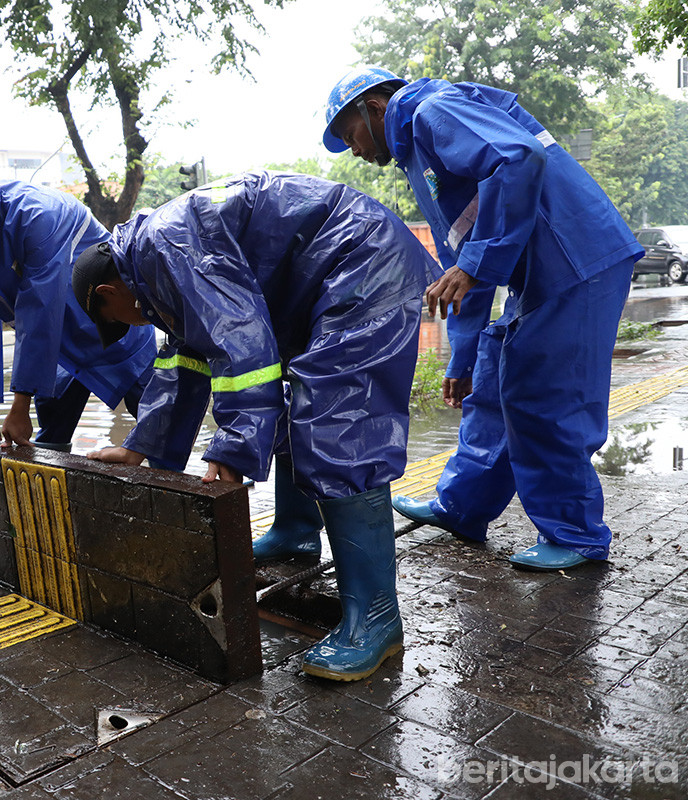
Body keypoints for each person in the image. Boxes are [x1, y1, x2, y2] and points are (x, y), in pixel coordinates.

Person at [75, 171, 440, 681]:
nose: (128, 326)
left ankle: (376, 618)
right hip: (325, 277)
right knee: (296, 410)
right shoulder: (157, 266)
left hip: (362, 261)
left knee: (339, 426)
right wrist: (139, 450)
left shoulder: (163, 248)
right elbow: (188, 363)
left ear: (109, 290)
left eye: (115, 319)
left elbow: (238, 341)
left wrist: (233, 448)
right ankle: (294, 531)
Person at [323, 67, 644, 572]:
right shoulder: (419, 154)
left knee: (542, 395)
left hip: (575, 259)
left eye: (350, 134)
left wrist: (475, 266)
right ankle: (463, 507)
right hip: (539, 273)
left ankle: (577, 535)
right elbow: (462, 252)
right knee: (493, 383)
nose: (356, 149)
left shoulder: (431, 110)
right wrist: (462, 356)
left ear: (376, 109)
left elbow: (518, 158)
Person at [0, 157, 157, 450]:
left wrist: (20, 405)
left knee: (159, 428)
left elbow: (40, 307)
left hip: (113, 330)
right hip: (56, 354)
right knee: (47, 444)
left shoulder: (38, 214)